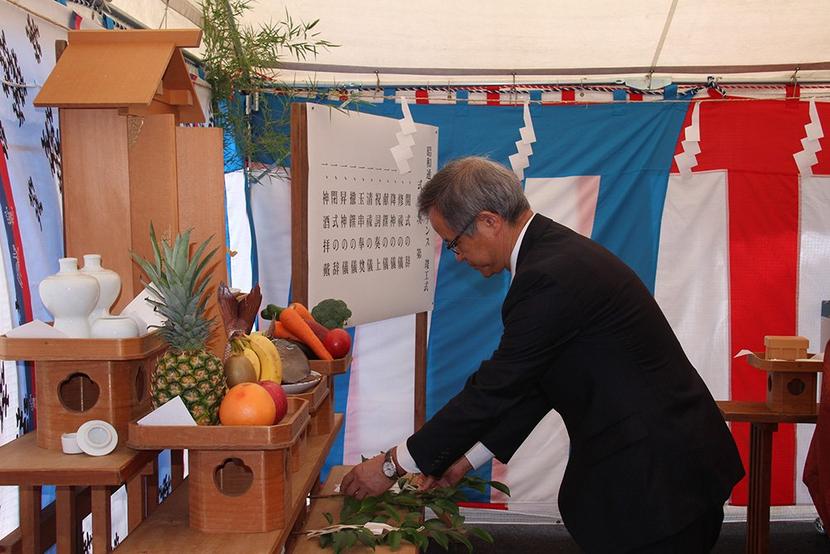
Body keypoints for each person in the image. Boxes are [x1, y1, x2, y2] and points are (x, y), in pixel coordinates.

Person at [340, 156, 744, 553]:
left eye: (454, 242)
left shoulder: (548, 276)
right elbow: (537, 384)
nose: (457, 256)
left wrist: (394, 464)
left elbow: (494, 388)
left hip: (659, 480)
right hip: (664, 468)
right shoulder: (552, 254)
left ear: (489, 221)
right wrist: (466, 459)